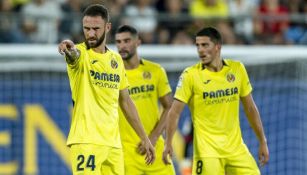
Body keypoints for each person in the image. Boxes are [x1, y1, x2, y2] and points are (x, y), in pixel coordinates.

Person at [57, 4, 155, 175]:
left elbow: (126, 101)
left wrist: (145, 138)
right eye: (86, 29)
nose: (91, 33)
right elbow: (73, 56)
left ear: (107, 27)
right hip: (86, 141)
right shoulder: (81, 53)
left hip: (113, 144)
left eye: (96, 28)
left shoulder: (116, 61)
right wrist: (69, 48)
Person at [162, 27, 269, 175]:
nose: (200, 50)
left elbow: (250, 108)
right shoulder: (190, 75)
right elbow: (174, 112)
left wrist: (262, 141)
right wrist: (168, 143)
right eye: (197, 46)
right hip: (207, 153)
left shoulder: (237, 69)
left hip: (235, 149)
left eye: (205, 45)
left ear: (218, 46)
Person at [115, 25, 176, 175]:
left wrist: (154, 137)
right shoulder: (113, 75)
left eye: (127, 41)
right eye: (118, 42)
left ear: (138, 42)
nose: (122, 46)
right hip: (127, 151)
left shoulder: (155, 71)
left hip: (155, 146)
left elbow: (169, 107)